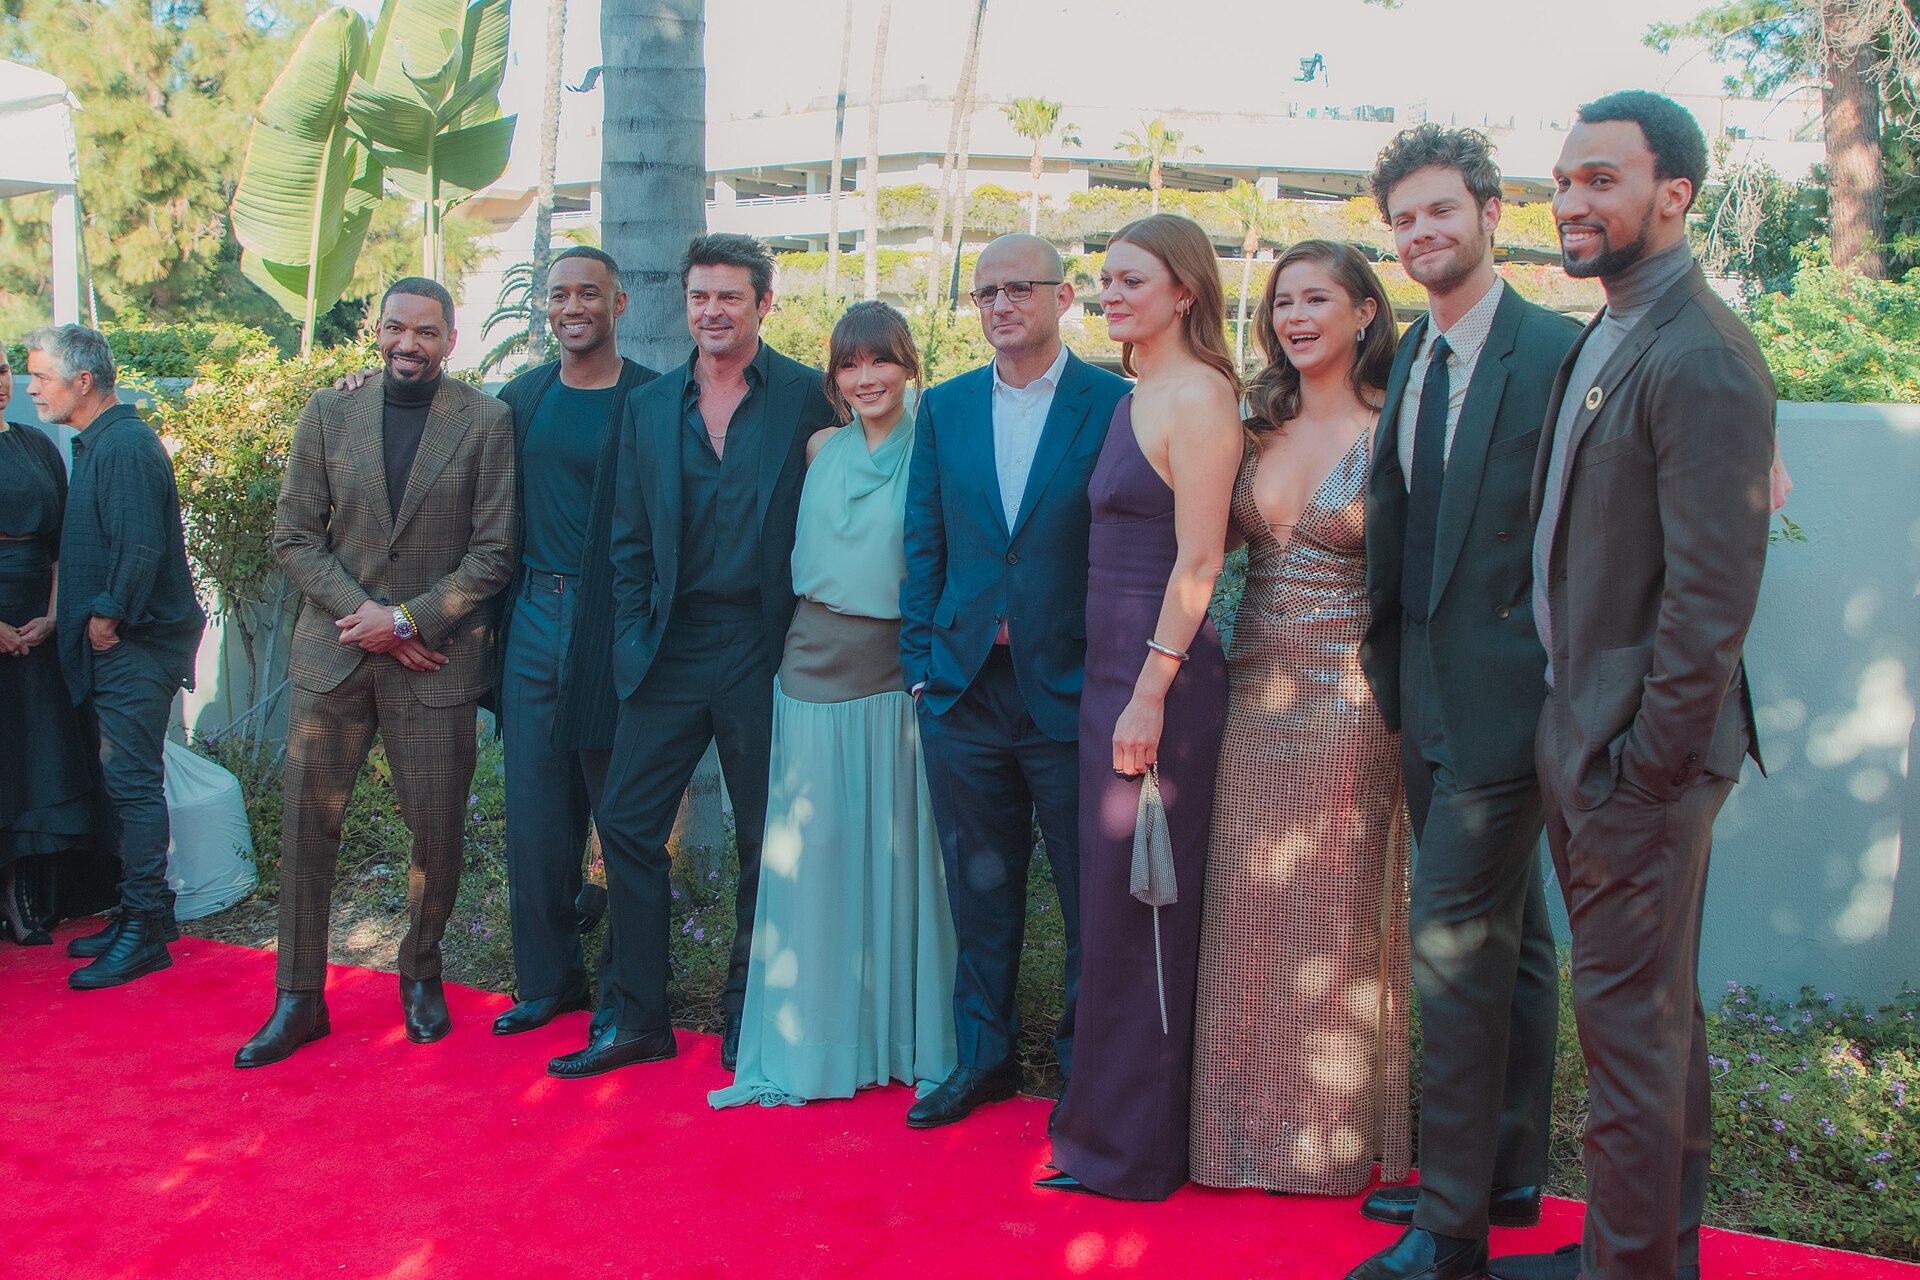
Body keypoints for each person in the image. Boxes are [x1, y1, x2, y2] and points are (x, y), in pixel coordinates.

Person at [1490, 91, 1774, 1280]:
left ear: (1675, 194)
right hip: (1595, 737)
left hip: (1638, 760)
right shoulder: (1614, 327)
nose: (1570, 201)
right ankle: (1653, 1253)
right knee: (1653, 1028)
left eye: (1601, 178)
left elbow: (1711, 600)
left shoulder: (1699, 351)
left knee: (1629, 1040)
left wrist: (1642, 768)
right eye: (1563, 179)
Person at [1342, 127, 1579, 1280]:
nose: (1423, 233)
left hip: (1514, 701)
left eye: (1443, 210)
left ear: (1491, 212)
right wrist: (1396, 685)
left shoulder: (1558, 350)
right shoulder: (1418, 361)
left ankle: (1449, 1232)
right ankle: (1507, 1171)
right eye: (1405, 220)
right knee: (1519, 938)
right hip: (1423, 698)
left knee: (1453, 949)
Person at [548, 233, 836, 1079]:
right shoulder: (649, 407)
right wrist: (635, 632)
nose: (713, 312)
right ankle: (640, 1016)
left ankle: (750, 1016)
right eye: (700, 297)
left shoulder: (807, 400)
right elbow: (628, 538)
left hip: (763, 645)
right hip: (668, 648)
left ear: (763, 305)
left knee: (764, 838)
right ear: (685, 304)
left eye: (730, 298)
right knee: (629, 826)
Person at [235, 277, 517, 1067]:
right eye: (396, 328)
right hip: (334, 657)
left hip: (435, 661)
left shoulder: (487, 421)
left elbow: (495, 551)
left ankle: (421, 971)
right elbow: (294, 536)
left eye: (426, 333)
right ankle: (297, 997)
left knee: (436, 829)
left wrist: (406, 621)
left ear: (449, 341)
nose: (408, 344)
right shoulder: (330, 411)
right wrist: (372, 620)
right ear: (377, 330)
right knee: (304, 829)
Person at [1187, 241, 1411, 1196]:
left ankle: (1330, 1140)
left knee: (1338, 920)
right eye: (1283, 302)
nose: (1296, 316)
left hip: (1356, 701)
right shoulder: (1252, 426)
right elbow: (1185, 542)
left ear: (1366, 311)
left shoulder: (1401, 425)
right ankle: (1240, 1140)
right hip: (1254, 694)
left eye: (1318, 298)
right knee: (1246, 914)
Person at [899, 234, 1130, 1128]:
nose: (1000, 304)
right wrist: (921, 669)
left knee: (1088, 899)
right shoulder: (946, 407)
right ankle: (984, 1059)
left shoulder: (1113, 403)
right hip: (963, 690)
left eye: (1018, 288)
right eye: (985, 291)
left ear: (1063, 296)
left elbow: (1125, 548)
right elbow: (926, 541)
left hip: (1071, 692)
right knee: (979, 889)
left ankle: (1083, 1074)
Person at [709, 301, 957, 1110]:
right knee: (813, 860)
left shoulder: (939, 446)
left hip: (895, 675)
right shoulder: (820, 448)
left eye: (880, 361)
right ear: (834, 377)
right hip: (808, 668)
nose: (865, 379)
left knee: (895, 859)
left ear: (908, 364)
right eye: (849, 365)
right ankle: (815, 1038)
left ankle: (901, 1039)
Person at [1036, 214, 1239, 1200]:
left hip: (1158, 681)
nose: (1110, 294)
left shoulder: (1199, 396)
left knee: (1143, 906)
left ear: (1186, 291)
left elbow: (1200, 558)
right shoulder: (1135, 394)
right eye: (1104, 278)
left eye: (1131, 280)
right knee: (1111, 909)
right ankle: (1102, 1125)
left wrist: (1150, 692)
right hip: (1113, 676)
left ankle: (1136, 1150)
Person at [491, 248, 659, 1034]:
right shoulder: (519, 400)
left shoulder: (654, 400)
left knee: (620, 814)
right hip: (532, 614)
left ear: (618, 303)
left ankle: (625, 994)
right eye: (558, 294)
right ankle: (548, 981)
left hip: (614, 622)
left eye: (588, 292)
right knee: (533, 812)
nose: (571, 306)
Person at [28, 325, 205, 989]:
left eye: (41, 376)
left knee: (132, 785)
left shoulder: (125, 445)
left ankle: (146, 930)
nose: (32, 388)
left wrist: (107, 616)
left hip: (135, 644)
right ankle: (146, 915)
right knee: (123, 781)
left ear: (83, 381)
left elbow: (139, 548)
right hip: (124, 643)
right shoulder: (104, 441)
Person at [0, 351, 101, 947]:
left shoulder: (36, 444)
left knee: (40, 753)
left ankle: (27, 893)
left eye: (2, 370)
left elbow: (65, 537)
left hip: (40, 619)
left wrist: (57, 613)